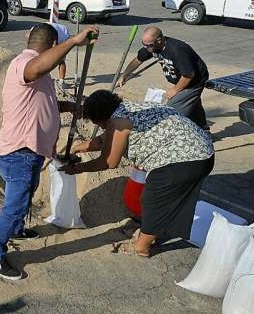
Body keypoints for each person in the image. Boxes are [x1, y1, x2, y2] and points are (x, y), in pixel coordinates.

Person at [0, 23, 99, 281]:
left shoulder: (38, 70)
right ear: (53, 46)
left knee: (27, 194)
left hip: (31, 151)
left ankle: (16, 230)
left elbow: (40, 100)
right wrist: (73, 43)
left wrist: (67, 106)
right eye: (58, 47)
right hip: (20, 152)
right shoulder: (26, 63)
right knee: (14, 206)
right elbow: (35, 68)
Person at [63, 90, 215, 257]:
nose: (100, 127)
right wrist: (81, 147)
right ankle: (152, 232)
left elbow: (108, 162)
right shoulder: (128, 108)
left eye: (98, 124)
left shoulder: (119, 122)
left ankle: (142, 247)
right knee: (166, 198)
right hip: (202, 152)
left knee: (152, 199)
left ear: (102, 118)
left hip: (186, 158)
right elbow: (103, 140)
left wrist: (79, 168)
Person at [117, 27, 209, 130]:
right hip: (182, 79)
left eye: (149, 45)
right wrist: (124, 75)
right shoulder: (152, 47)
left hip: (194, 81)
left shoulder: (177, 50)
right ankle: (203, 130)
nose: (147, 48)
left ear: (159, 40)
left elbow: (188, 75)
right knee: (192, 105)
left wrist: (174, 90)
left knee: (173, 110)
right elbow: (138, 60)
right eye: (144, 44)